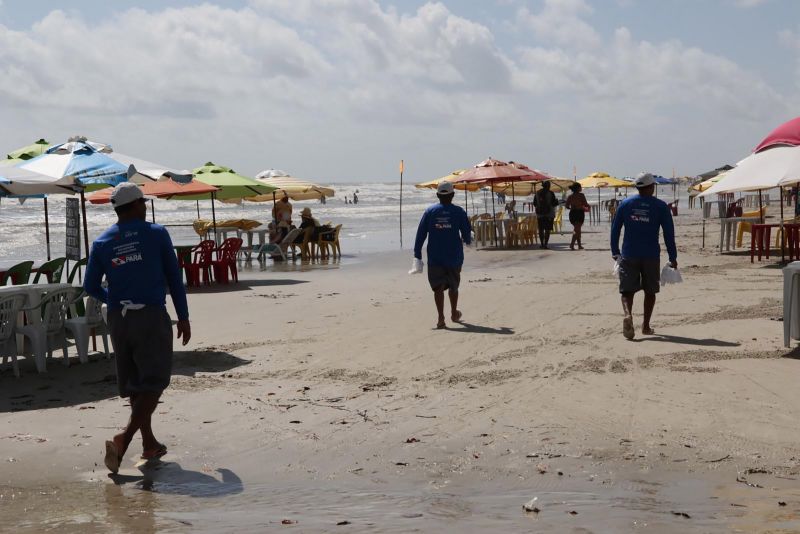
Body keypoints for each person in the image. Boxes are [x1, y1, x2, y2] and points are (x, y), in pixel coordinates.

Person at [84, 182, 191, 474]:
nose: (145, 206)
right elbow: (174, 277)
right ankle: (124, 438)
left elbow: (89, 285)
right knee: (154, 382)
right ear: (135, 205)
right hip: (149, 315)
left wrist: (114, 299)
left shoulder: (102, 241)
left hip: (119, 318)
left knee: (136, 383)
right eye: (143, 202)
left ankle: (149, 443)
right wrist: (183, 316)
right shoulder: (156, 233)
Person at [610, 172, 677, 340]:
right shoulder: (660, 206)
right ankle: (645, 326)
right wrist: (673, 256)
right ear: (652, 187)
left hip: (629, 254)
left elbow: (615, 228)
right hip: (651, 255)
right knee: (650, 291)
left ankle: (628, 314)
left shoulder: (625, 204)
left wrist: (615, 251)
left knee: (627, 290)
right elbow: (669, 233)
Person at [414, 182, 472, 329]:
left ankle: (441, 317)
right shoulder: (459, 212)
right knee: (453, 285)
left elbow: (420, 234)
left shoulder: (430, 211)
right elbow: (467, 234)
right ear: (453, 195)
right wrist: (468, 239)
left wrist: (417, 254)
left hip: (435, 256)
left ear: (437, 195)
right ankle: (454, 313)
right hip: (454, 256)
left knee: (438, 287)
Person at [533, 181, 559, 248]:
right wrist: (557, 201)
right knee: (547, 229)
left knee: (541, 229)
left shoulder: (537, 193)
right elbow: (554, 203)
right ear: (548, 186)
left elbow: (534, 204)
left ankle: (542, 244)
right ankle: (545, 244)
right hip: (549, 214)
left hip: (540, 214)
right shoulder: (551, 193)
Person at [565, 183, 590, 250]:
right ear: (578, 188)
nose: (581, 188)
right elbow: (585, 204)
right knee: (577, 229)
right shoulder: (581, 195)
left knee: (577, 229)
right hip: (579, 213)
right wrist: (588, 207)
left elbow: (567, 206)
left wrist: (572, 207)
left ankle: (579, 245)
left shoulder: (570, 196)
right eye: (580, 187)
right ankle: (572, 244)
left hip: (572, 213)